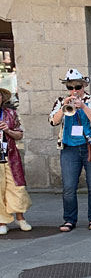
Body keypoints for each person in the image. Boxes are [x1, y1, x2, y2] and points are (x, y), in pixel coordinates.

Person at [49, 69, 91, 232]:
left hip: (90, 146)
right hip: (69, 149)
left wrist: (84, 106)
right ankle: (69, 219)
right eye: (70, 87)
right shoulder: (61, 101)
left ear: (84, 86)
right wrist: (64, 106)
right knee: (68, 186)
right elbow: (53, 121)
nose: (74, 91)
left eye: (78, 86)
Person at [0, 87, 30, 234]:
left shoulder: (11, 113)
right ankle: (2, 221)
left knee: (17, 187)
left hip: (10, 155)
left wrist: (8, 130)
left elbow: (19, 135)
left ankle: (20, 217)